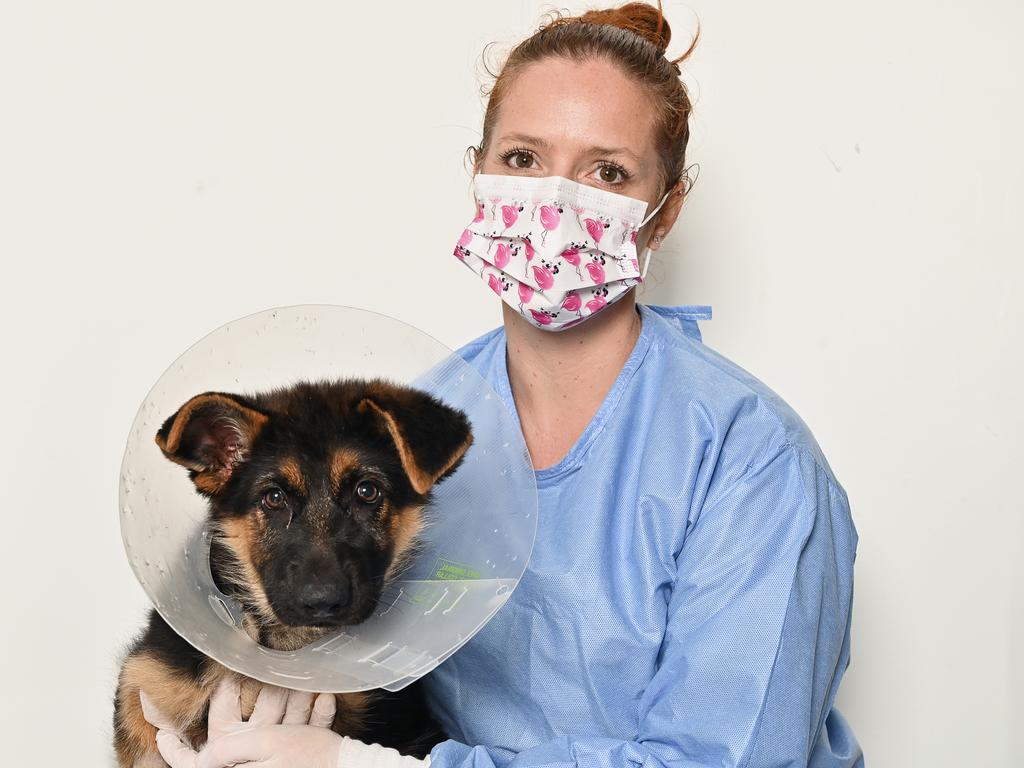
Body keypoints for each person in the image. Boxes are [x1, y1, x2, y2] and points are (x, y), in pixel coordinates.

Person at [142, 3, 863, 767]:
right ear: (478, 174)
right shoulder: (410, 430)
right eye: (523, 159)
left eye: (606, 172)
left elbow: (732, 758)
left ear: (664, 212)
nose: (554, 203)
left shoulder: (750, 460)